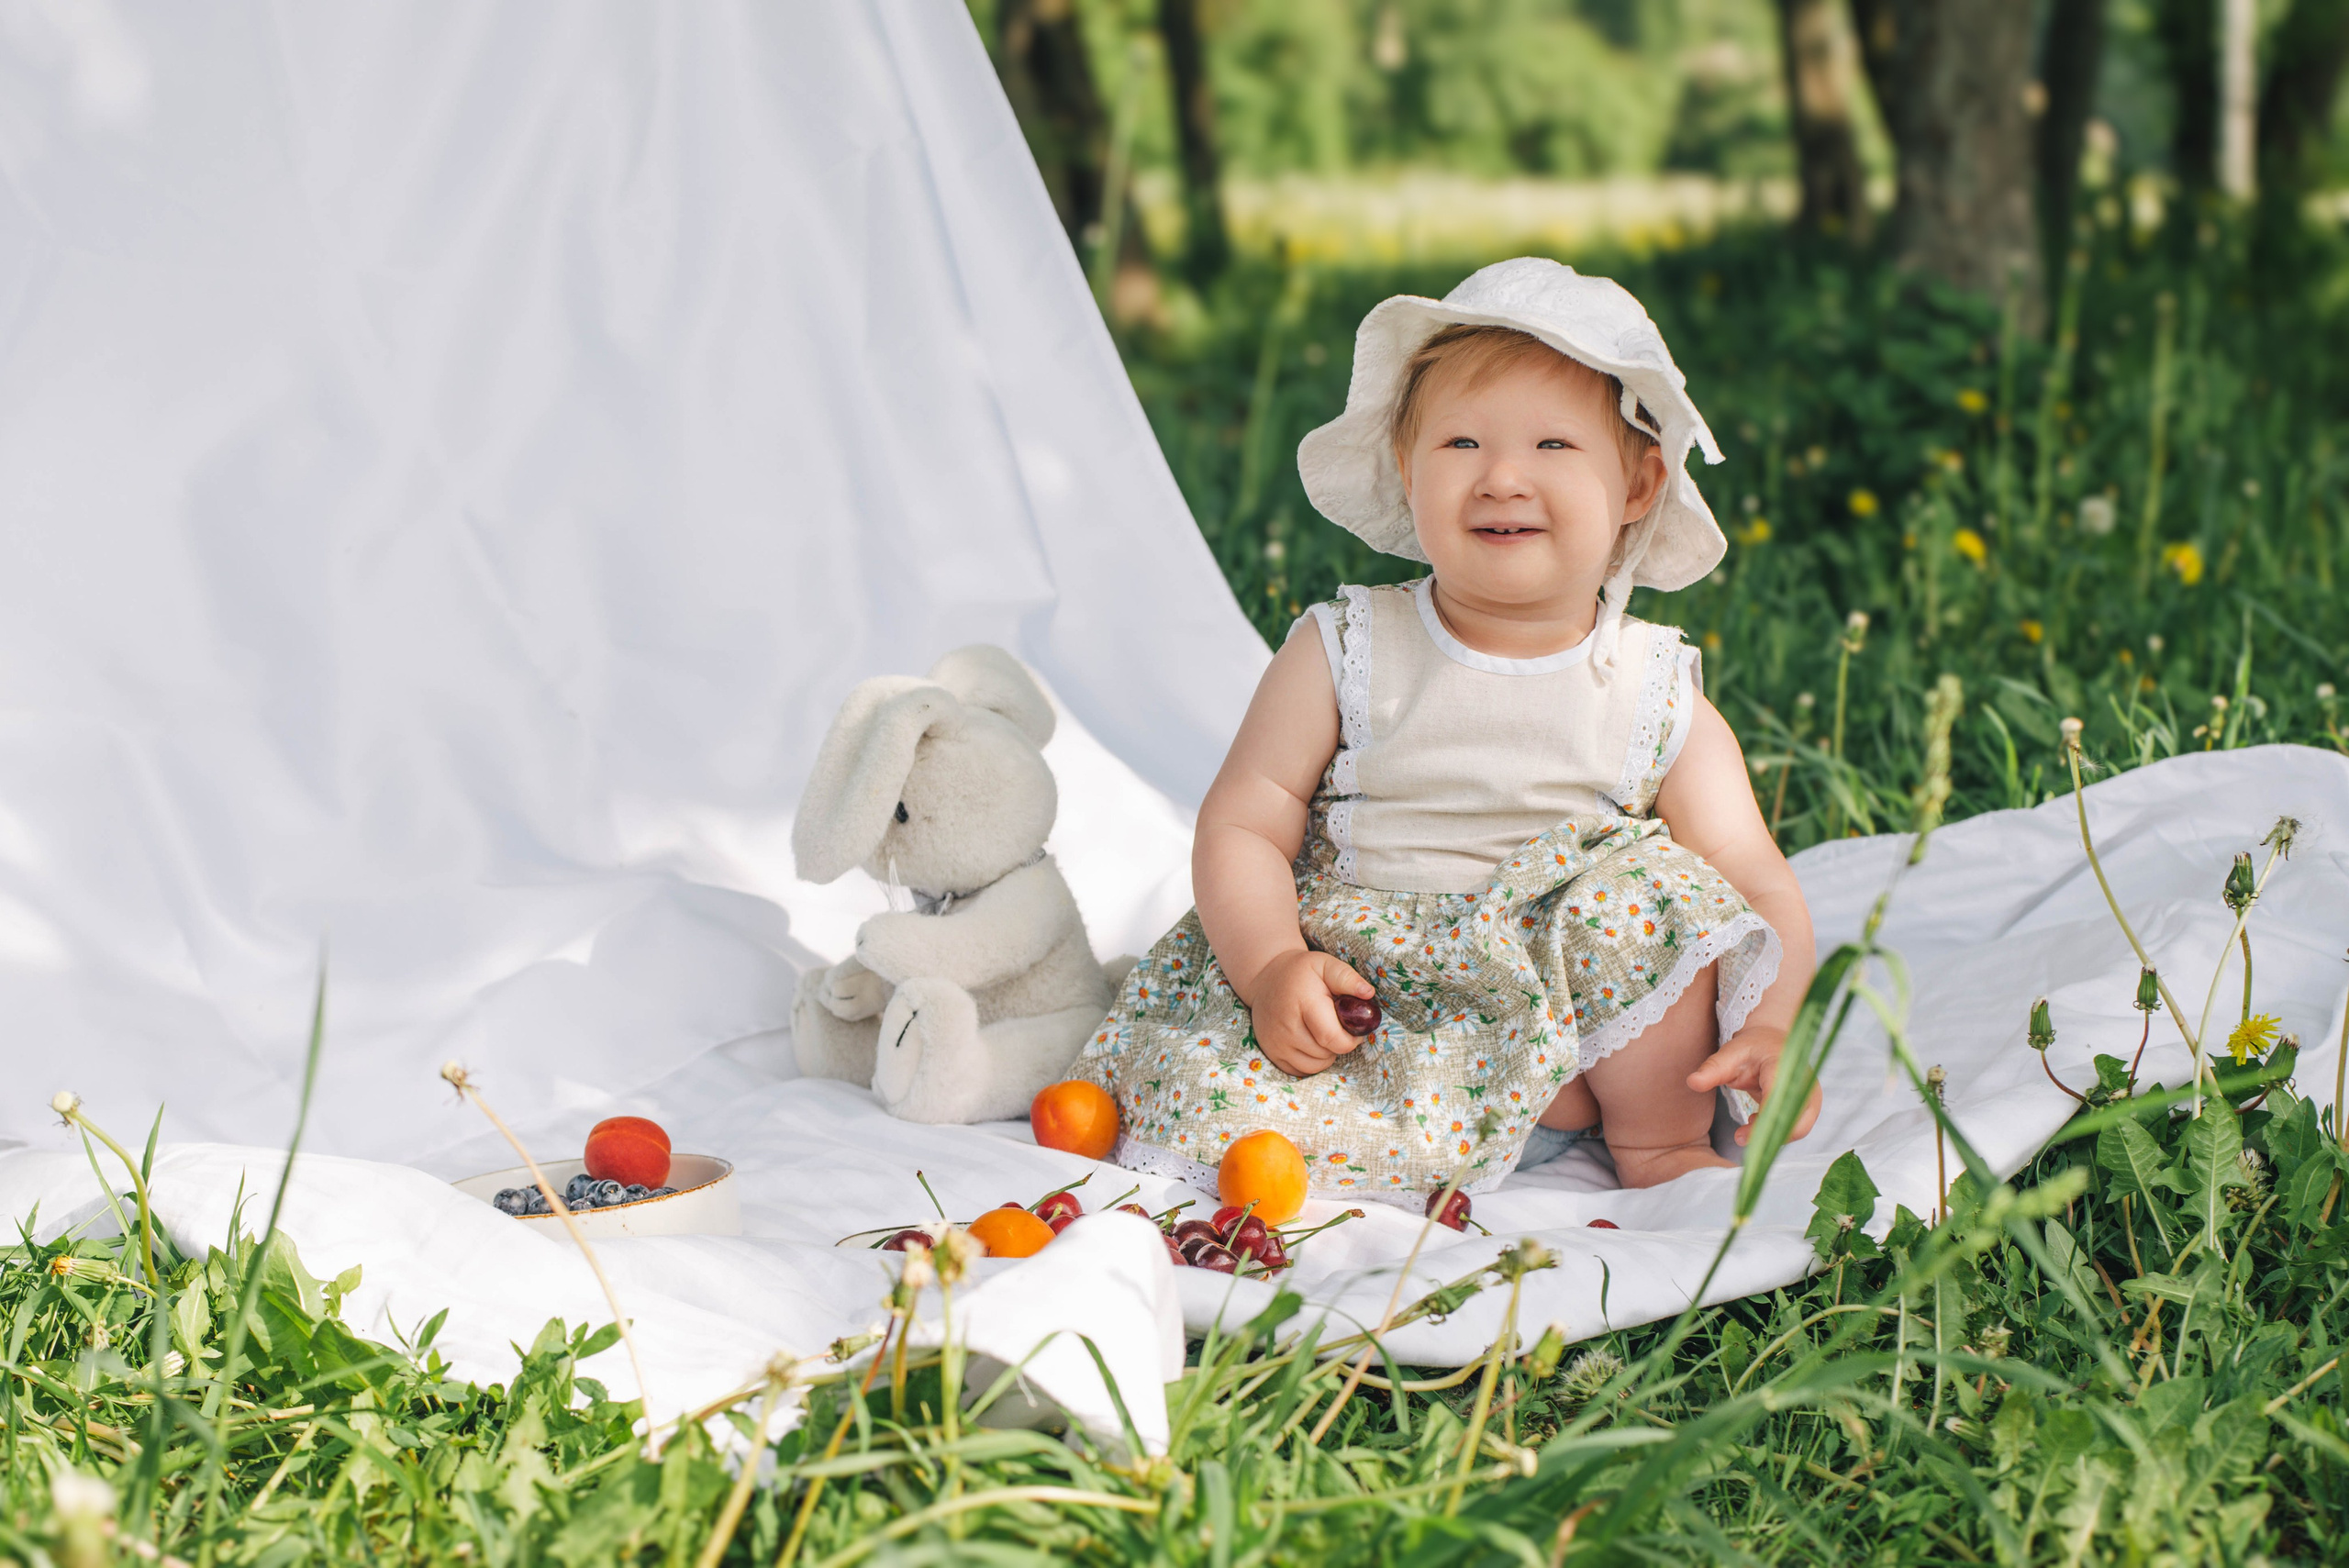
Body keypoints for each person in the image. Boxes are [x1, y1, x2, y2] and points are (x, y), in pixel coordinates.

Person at [1074, 258, 1819, 1199]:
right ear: (1406, 468)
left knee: (1652, 895)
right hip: (1377, 999)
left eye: (1553, 444)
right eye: (1461, 442)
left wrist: (1773, 1021)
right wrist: (1271, 968)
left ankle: (1659, 1141)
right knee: (1208, 1092)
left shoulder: (1650, 686)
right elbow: (1245, 823)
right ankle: (1412, 1124)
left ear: (1638, 485)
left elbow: (1749, 874)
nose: (1502, 477)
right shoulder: (1346, 647)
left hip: (1563, 1003)